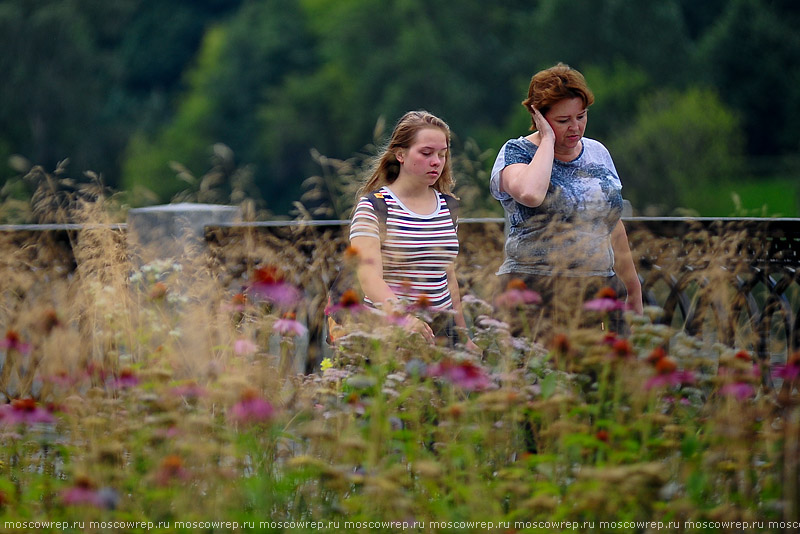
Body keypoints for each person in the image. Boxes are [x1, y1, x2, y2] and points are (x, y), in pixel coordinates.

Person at [490, 63, 643, 336]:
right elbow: (531, 194)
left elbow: (611, 222)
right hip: (534, 292)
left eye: (581, 116)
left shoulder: (597, 152)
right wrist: (547, 140)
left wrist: (633, 288)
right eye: (563, 120)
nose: (575, 127)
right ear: (539, 116)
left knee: (607, 377)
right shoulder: (516, 153)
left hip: (599, 289)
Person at [349, 110, 479, 352]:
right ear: (400, 154)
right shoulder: (374, 206)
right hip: (389, 336)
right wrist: (404, 319)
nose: (436, 162)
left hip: (441, 335)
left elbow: (448, 277)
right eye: (426, 153)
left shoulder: (448, 206)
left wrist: (464, 337)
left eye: (442, 154)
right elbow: (368, 277)